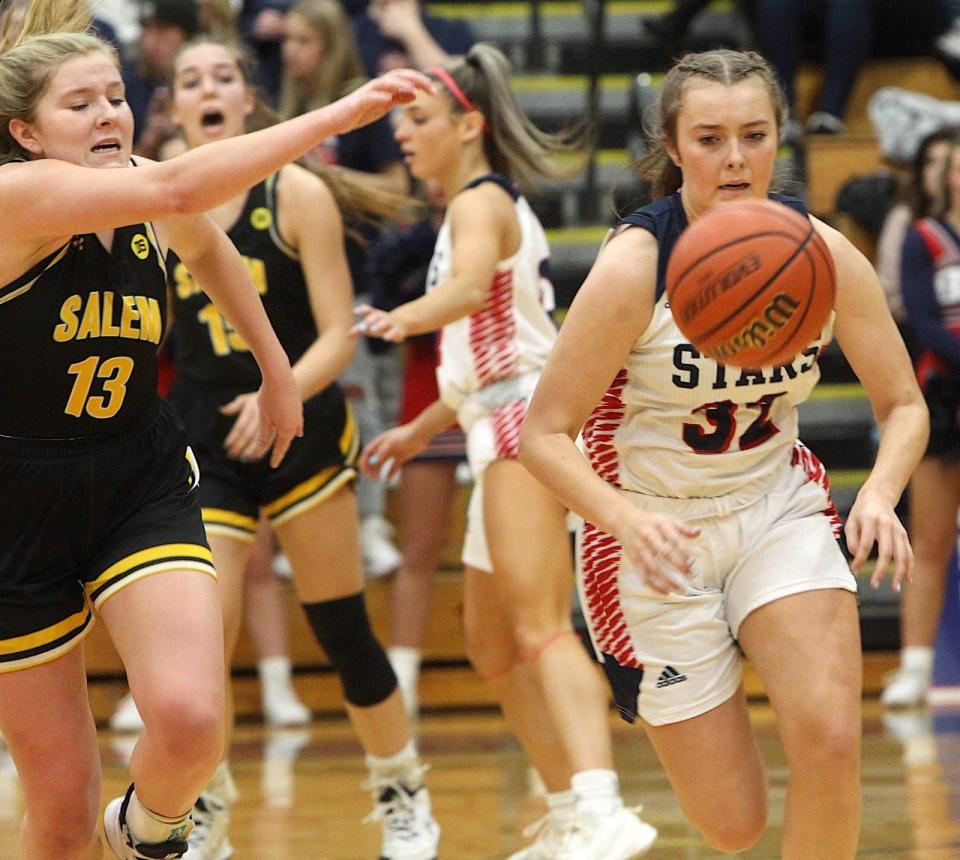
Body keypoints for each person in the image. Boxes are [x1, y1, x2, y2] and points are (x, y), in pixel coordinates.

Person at [0, 2, 429, 856]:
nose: (108, 116)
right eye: (79, 104)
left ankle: (150, 833)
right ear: (26, 132)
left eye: (115, 97)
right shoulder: (19, 197)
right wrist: (340, 113)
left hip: (136, 476)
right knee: (57, 809)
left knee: (193, 723)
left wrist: (277, 371)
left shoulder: (144, 191)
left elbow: (204, 242)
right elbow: (184, 188)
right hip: (18, 504)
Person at [517, 48, 928, 857]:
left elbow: (904, 404)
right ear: (673, 147)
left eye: (755, 134)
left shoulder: (820, 253)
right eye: (710, 138)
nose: (736, 158)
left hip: (775, 505)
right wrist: (624, 521)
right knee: (732, 822)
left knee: (832, 744)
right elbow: (543, 435)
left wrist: (878, 492)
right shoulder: (636, 264)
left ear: (780, 139)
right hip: (654, 532)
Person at [354, 43, 658, 860]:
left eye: (418, 121)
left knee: (539, 625)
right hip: (497, 418)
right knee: (488, 641)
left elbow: (460, 297)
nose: (404, 138)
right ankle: (567, 806)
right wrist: (421, 428)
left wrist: (399, 318)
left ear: (468, 124)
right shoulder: (476, 206)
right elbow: (482, 336)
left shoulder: (476, 205)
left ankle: (602, 805)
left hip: (528, 427)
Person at [165, 37, 439, 860]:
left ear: (248, 99)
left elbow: (338, 336)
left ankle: (401, 792)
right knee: (198, 638)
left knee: (341, 626)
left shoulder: (296, 192)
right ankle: (203, 804)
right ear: (171, 105)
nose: (207, 89)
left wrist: (280, 390)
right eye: (189, 80)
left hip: (305, 426)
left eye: (222, 76)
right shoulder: (153, 195)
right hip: (207, 437)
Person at [282, 0, 409, 578]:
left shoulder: (362, 103)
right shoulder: (290, 107)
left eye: (304, 41)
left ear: (329, 44)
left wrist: (323, 177)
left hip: (359, 278)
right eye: (286, 41)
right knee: (310, 405)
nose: (290, 52)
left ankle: (373, 523)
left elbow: (398, 185)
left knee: (362, 407)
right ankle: (297, 523)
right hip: (298, 285)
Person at [882, 131, 960, 709]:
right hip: (944, 397)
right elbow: (921, 320)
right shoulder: (923, 240)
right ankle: (914, 665)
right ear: (947, 177)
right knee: (930, 540)